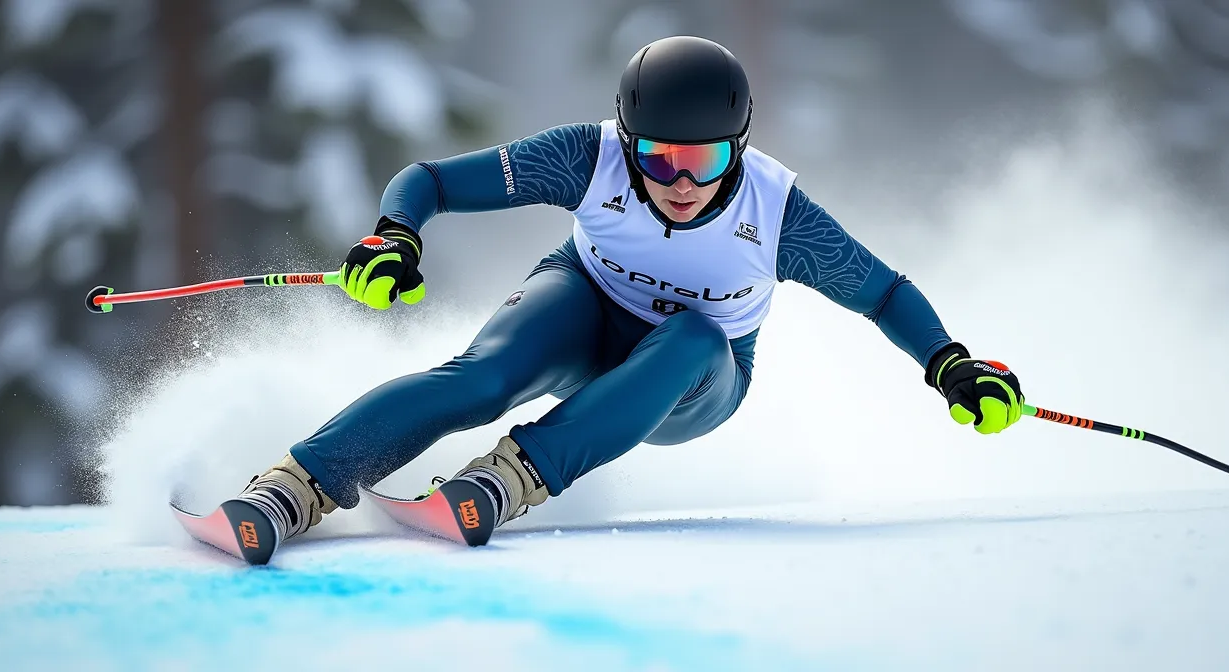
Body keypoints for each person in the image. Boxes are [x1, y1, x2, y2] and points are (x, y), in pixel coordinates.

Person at [231, 35, 1025, 548]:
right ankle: (293, 488)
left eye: (705, 161)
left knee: (693, 335)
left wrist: (951, 364)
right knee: (480, 379)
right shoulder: (588, 157)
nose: (679, 181)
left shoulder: (779, 213)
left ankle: (508, 480)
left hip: (690, 378)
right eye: (658, 157)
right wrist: (394, 234)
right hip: (583, 304)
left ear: (738, 150)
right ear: (626, 140)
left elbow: (883, 293)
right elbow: (430, 181)